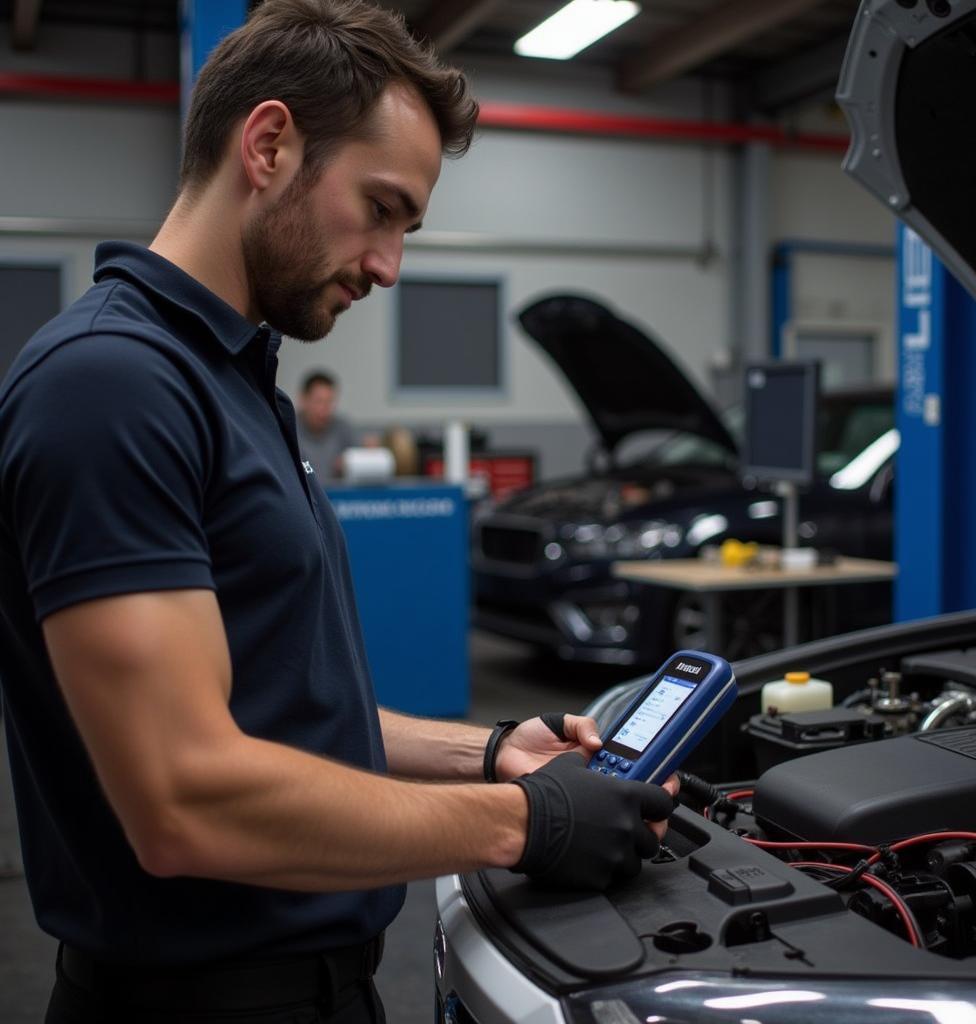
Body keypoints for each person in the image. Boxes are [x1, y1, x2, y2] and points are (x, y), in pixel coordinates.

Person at [0, 2, 678, 1022]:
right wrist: (519, 821)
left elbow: (283, 710)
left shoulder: (234, 383)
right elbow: (184, 797)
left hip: (318, 983)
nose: (388, 265)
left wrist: (487, 751)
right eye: (381, 208)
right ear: (268, 144)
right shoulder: (110, 385)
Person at [296, 369, 356, 478]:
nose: (324, 409)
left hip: (336, 494)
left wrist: (352, 464)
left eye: (329, 402)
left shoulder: (343, 429)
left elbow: (359, 465)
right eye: (319, 401)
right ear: (303, 400)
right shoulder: (288, 430)